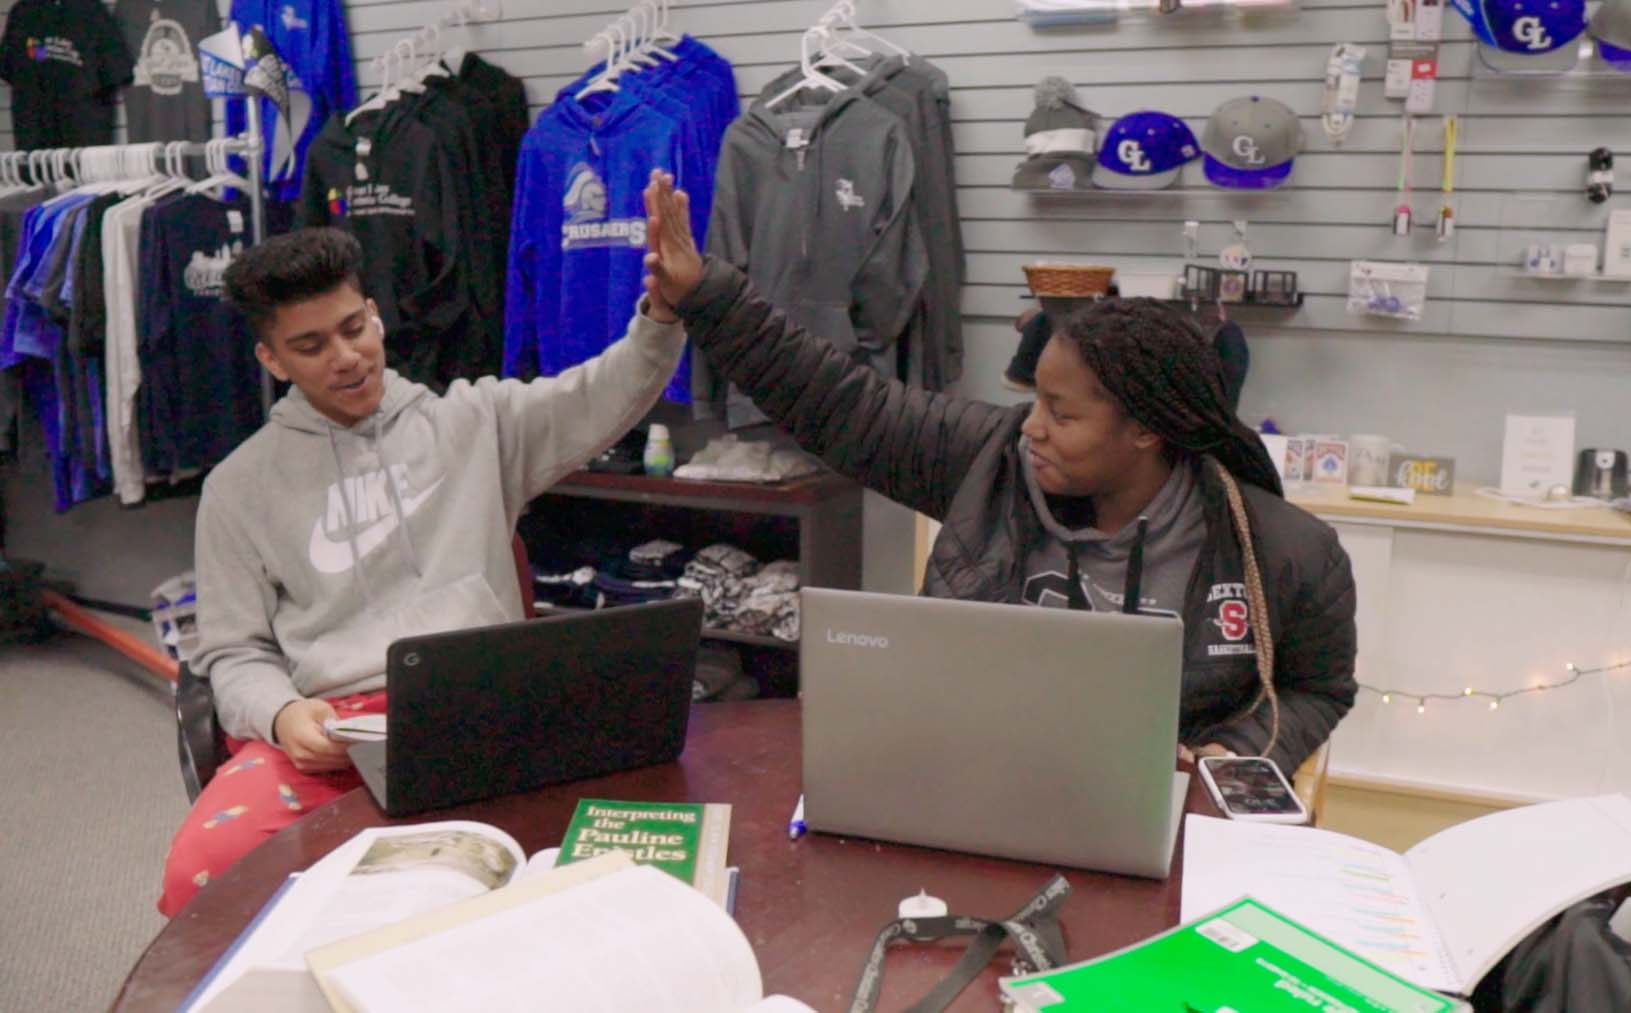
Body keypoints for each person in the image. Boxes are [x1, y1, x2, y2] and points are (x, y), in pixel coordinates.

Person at [640, 170, 1355, 777]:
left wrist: (1231, 754)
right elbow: (835, 399)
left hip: (1166, 817)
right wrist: (707, 294)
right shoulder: (991, 455)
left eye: (1062, 414)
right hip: (972, 775)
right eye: (1034, 401)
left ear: (1147, 430)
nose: (1032, 428)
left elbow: (1317, 687)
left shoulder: (1282, 548)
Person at [158, 228, 685, 915]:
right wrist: (283, 713)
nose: (346, 358)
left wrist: (664, 314)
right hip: (340, 734)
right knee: (201, 873)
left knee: (631, 845)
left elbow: (601, 393)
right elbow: (232, 651)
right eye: (311, 346)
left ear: (374, 314)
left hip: (489, 704)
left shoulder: (475, 421)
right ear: (272, 358)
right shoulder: (237, 488)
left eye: (354, 328)